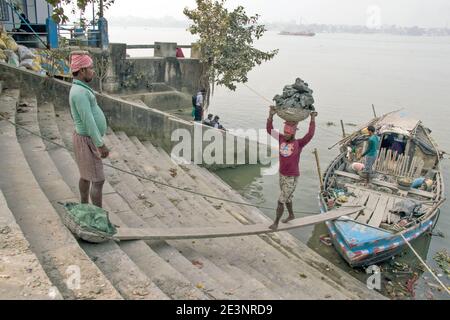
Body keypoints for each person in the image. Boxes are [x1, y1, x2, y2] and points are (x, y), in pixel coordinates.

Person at [69, 51, 109, 208]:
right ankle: (98, 217)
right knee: (98, 180)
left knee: (85, 176)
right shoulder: (79, 93)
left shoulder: (80, 89)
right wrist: (100, 144)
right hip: (87, 140)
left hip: (85, 139)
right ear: (82, 70)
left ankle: (84, 207)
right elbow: (88, 121)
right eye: (90, 68)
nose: (93, 71)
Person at [267, 107, 317, 230]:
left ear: (293, 133)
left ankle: (276, 223)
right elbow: (269, 130)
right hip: (282, 174)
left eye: (288, 133)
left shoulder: (299, 143)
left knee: (281, 200)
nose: (286, 134)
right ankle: (291, 215)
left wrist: (312, 118)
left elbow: (310, 135)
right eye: (285, 132)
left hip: (292, 176)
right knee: (287, 197)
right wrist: (271, 116)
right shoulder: (281, 139)